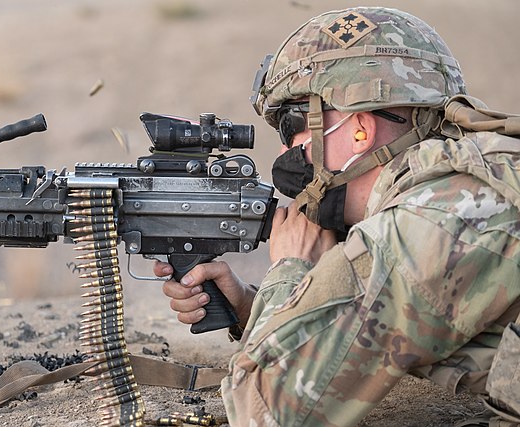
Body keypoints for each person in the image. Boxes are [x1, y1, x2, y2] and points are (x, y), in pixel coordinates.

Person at [154, 7, 520, 427]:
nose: (284, 153)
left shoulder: (429, 221)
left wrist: (290, 271)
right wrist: (249, 306)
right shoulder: (463, 183)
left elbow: (264, 412)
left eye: (293, 124)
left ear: (360, 127)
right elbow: (367, 334)